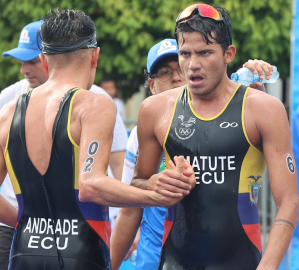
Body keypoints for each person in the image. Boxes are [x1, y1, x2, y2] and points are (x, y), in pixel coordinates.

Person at [0, 9, 194, 269]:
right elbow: (91, 185)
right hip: (81, 253)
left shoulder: (9, 112)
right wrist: (156, 197)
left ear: (44, 60)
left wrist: (27, 224)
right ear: (94, 56)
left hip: (23, 252)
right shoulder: (93, 105)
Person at [0, 19, 128, 270]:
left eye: (30, 61)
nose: (23, 70)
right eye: (20, 61)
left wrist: (130, 218)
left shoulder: (92, 102)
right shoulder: (12, 97)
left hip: (30, 235)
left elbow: (118, 163)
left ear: (46, 59)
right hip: (30, 226)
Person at [129, 4, 299, 269]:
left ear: (228, 54)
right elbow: (137, 183)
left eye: (205, 52)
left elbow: (289, 203)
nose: (192, 65)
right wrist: (155, 184)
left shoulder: (263, 109)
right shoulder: (155, 110)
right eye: (185, 54)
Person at [111, 38, 275, 270]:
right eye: (164, 72)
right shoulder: (141, 133)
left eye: (180, 66)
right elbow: (129, 209)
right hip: (155, 258)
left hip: (222, 257)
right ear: (152, 85)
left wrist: (256, 100)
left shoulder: (228, 120)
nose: (177, 76)